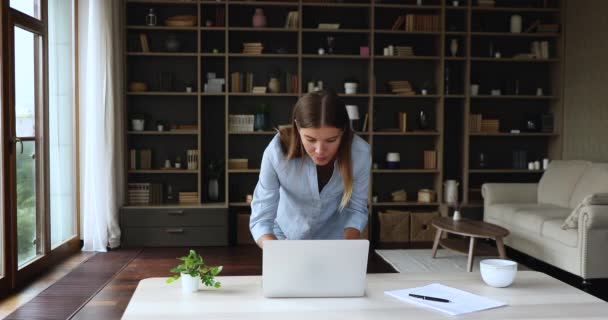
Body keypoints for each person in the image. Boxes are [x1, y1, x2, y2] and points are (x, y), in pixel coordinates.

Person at [250, 90, 371, 248]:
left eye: (331, 140)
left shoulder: (359, 153)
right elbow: (261, 219)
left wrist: (345, 249)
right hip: (284, 237)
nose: (320, 150)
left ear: (344, 132)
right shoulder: (276, 152)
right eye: (310, 139)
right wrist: (278, 252)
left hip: (335, 239)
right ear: (297, 127)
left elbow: (356, 209)